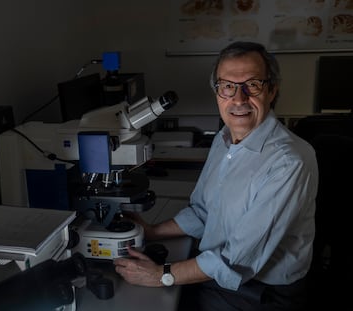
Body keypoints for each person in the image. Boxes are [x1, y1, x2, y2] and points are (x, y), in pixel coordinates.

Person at [114, 41, 319, 311]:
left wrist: (160, 275)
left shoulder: (288, 162)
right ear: (217, 92)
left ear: (272, 90)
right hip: (220, 272)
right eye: (227, 86)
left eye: (253, 84)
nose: (239, 98)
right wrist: (153, 232)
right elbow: (202, 212)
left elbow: (235, 260)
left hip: (260, 292)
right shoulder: (224, 139)